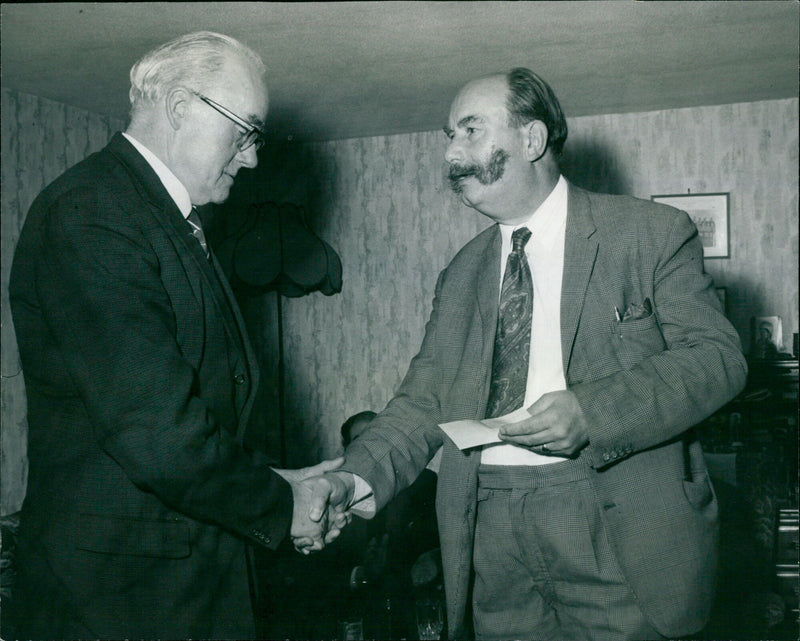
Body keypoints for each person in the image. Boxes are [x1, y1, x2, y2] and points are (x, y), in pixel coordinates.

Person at [303, 68, 748, 640]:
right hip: (490, 527)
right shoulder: (462, 272)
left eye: (470, 131)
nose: (450, 154)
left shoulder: (651, 233)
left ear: (532, 140)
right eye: (449, 136)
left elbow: (717, 357)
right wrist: (354, 479)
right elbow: (422, 400)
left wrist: (593, 411)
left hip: (615, 526)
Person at [8, 31, 343, 640]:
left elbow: (193, 410)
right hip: (118, 601)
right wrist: (281, 507)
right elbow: (158, 432)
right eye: (246, 131)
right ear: (182, 107)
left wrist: (271, 480)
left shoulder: (159, 215)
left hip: (178, 586)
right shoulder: (92, 212)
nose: (253, 158)